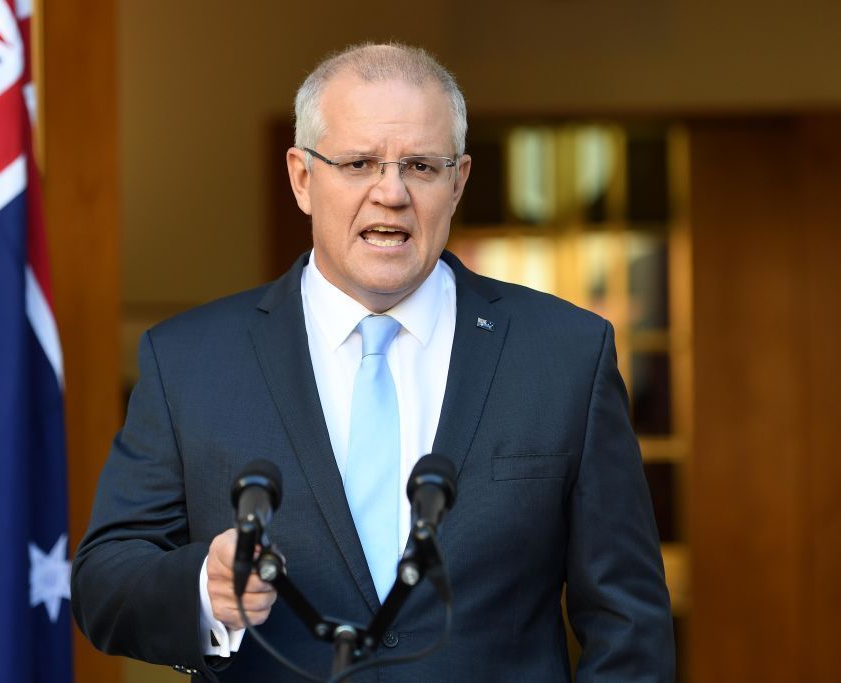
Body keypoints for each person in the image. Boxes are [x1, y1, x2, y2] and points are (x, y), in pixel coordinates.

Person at [71, 43, 674, 681]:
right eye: (359, 163)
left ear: (458, 181)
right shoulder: (189, 361)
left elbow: (629, 625)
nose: (391, 193)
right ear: (302, 178)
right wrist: (202, 590)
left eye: (421, 166)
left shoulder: (565, 354)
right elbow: (105, 581)